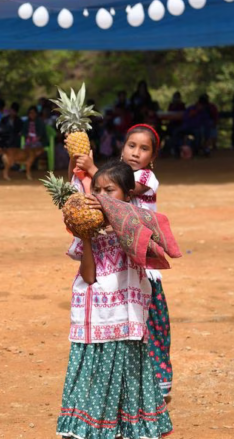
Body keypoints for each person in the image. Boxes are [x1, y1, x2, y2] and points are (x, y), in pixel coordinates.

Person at [55, 161, 172, 439]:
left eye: (110, 190)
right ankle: (94, 425)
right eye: (96, 190)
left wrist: (114, 215)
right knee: (96, 373)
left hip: (127, 319)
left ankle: (128, 425)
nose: (101, 196)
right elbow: (89, 276)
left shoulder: (135, 225)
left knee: (128, 372)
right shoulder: (91, 234)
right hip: (97, 318)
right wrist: (85, 237)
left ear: (128, 195)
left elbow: (148, 243)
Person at [73, 125, 173, 398]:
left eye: (144, 148)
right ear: (122, 146)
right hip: (113, 259)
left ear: (153, 156)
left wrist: (93, 169)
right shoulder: (111, 176)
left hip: (143, 265)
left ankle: (159, 382)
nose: (136, 152)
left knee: (152, 325)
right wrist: (77, 167)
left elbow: (120, 188)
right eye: (131, 145)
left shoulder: (146, 178)